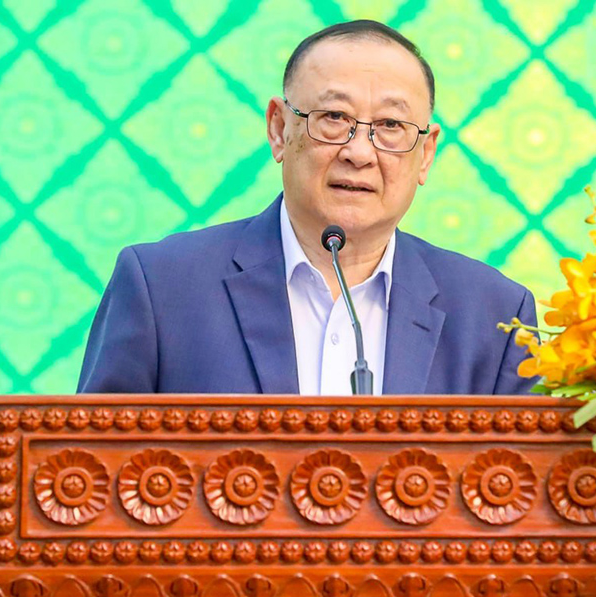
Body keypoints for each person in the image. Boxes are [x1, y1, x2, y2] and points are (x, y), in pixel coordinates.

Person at [78, 20, 537, 395]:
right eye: (334, 118)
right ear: (279, 129)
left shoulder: (495, 316)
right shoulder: (162, 288)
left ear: (427, 152)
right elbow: (88, 468)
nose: (360, 152)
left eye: (391, 125)